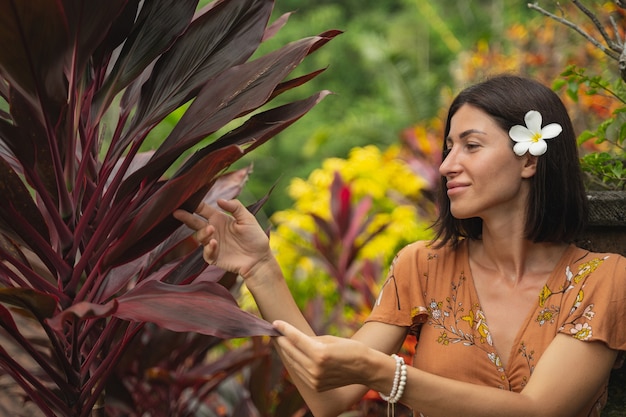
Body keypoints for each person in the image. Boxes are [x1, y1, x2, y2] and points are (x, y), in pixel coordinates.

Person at [174, 74, 626, 417]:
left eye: (471, 145)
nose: (448, 164)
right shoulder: (423, 267)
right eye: (448, 148)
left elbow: (540, 411)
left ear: (529, 157)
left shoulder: (602, 279)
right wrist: (260, 269)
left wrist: (387, 374)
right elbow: (327, 395)